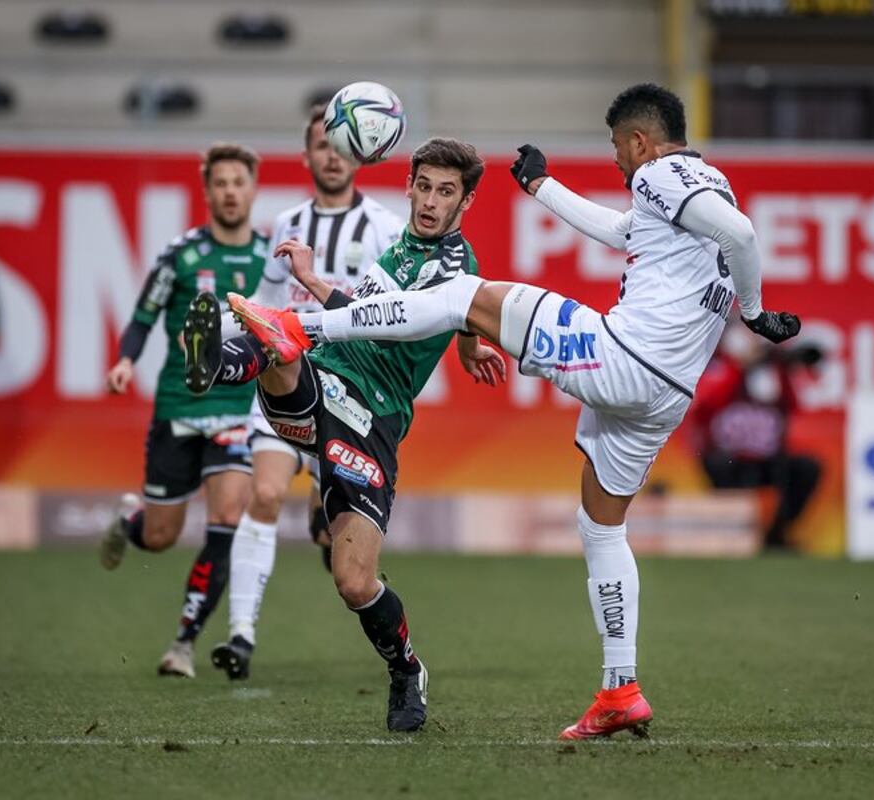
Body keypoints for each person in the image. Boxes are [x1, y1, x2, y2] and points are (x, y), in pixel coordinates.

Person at [220, 84, 800, 739]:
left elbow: (742, 236)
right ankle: (620, 688)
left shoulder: (661, 172)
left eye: (617, 147)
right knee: (601, 527)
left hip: (624, 355)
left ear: (641, 141)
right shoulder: (707, 187)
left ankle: (296, 329)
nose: (616, 160)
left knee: (463, 295)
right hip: (667, 394)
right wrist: (543, 188)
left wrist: (755, 312)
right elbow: (623, 231)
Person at [182, 137, 506, 732]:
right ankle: (221, 363)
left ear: (466, 202)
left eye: (446, 192)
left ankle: (406, 670)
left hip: (373, 417)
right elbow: (422, 314)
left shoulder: (456, 266)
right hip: (327, 378)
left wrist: (311, 281)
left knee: (354, 583)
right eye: (424, 187)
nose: (430, 202)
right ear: (408, 185)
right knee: (280, 336)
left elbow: (386, 323)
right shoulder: (403, 245)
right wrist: (467, 347)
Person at [98, 142, 301, 681]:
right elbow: (143, 315)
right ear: (208, 191)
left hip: (239, 406)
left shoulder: (271, 260)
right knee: (160, 536)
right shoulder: (181, 255)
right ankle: (130, 520)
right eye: (221, 183)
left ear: (253, 190)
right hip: (179, 404)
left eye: (239, 182)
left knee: (228, 518)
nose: (230, 192)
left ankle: (183, 643)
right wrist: (125, 360)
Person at [693, 321, 823, 551]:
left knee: (806, 468)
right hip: (728, 456)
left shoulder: (774, 373)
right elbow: (706, 404)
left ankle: (777, 532)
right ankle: (731, 534)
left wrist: (781, 368)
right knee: (719, 465)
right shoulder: (721, 367)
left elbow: (792, 405)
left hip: (768, 459)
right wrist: (741, 367)